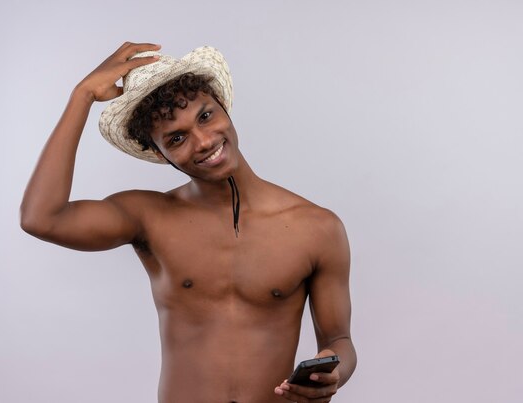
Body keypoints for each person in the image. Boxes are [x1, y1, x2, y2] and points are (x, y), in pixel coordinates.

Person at [20, 41, 356, 403]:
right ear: (159, 153)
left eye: (206, 116)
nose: (204, 141)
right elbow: (42, 218)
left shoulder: (317, 227)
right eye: (176, 138)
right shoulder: (148, 217)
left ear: (224, 107)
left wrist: (332, 369)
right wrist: (82, 95)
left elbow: (339, 340)